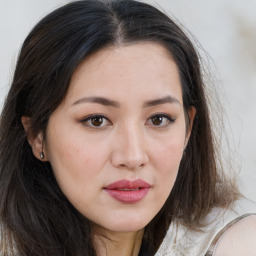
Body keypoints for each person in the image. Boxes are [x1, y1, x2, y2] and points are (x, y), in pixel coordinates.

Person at [0, 0, 255, 255]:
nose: (132, 156)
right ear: (36, 135)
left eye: (158, 119)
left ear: (188, 129)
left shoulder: (234, 244)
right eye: (96, 120)